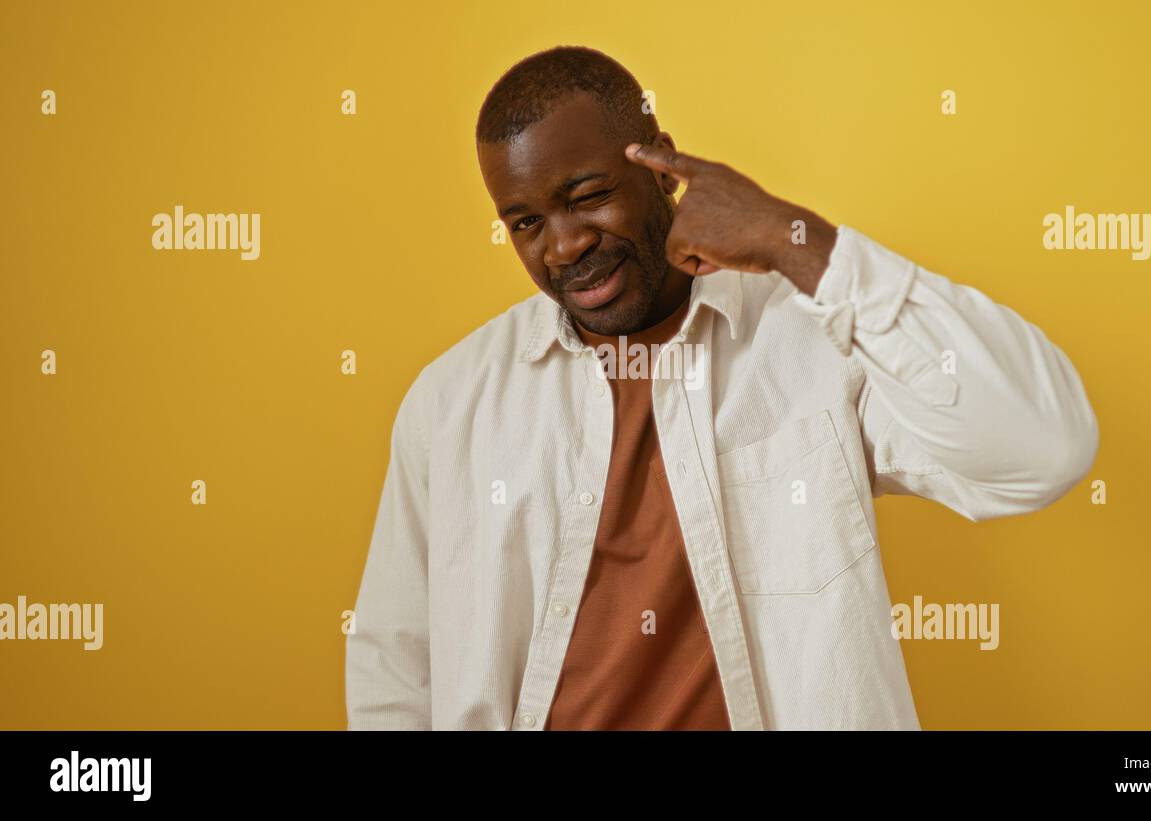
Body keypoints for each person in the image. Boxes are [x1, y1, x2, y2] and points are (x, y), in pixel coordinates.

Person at [345, 46, 1098, 730]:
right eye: (525, 222)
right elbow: (395, 663)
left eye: (589, 193)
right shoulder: (451, 402)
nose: (564, 244)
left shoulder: (812, 342)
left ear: (660, 161)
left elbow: (1043, 447)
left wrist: (793, 238)